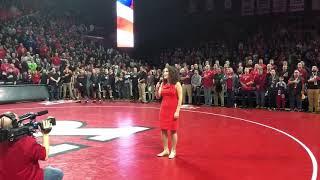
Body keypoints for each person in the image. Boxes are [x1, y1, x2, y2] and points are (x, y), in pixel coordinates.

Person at [0, 112, 63, 180]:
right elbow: (45, 156)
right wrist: (45, 134)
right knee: (56, 173)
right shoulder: (27, 142)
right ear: (17, 124)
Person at [156, 66, 182, 159]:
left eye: (166, 71)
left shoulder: (177, 84)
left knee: (173, 131)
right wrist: (157, 88)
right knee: (163, 130)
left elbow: (180, 99)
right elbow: (158, 96)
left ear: (171, 72)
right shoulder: (163, 84)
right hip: (163, 109)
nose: (165, 73)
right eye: (164, 71)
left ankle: (173, 150)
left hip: (173, 110)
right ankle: (166, 149)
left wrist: (177, 111)